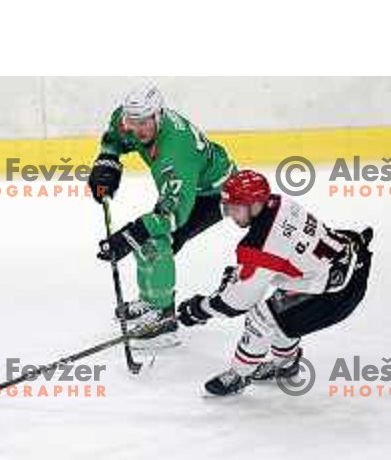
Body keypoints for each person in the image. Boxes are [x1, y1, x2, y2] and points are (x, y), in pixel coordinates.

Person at [177, 169, 373, 396]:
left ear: (255, 204)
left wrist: (199, 309)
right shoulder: (279, 202)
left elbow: (238, 303)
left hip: (334, 294)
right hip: (346, 264)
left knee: (261, 317)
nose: (231, 214)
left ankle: (240, 375)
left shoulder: (259, 245)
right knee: (280, 315)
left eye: (236, 207)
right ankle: (286, 365)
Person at [88, 85, 235, 343]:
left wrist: (128, 236)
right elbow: (114, 139)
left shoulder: (175, 153)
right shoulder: (128, 121)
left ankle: (163, 316)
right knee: (144, 237)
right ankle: (150, 301)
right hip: (187, 184)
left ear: (158, 116)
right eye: (131, 122)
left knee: (156, 239)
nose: (136, 129)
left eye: (143, 123)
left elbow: (172, 216)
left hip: (213, 193)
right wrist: (107, 162)